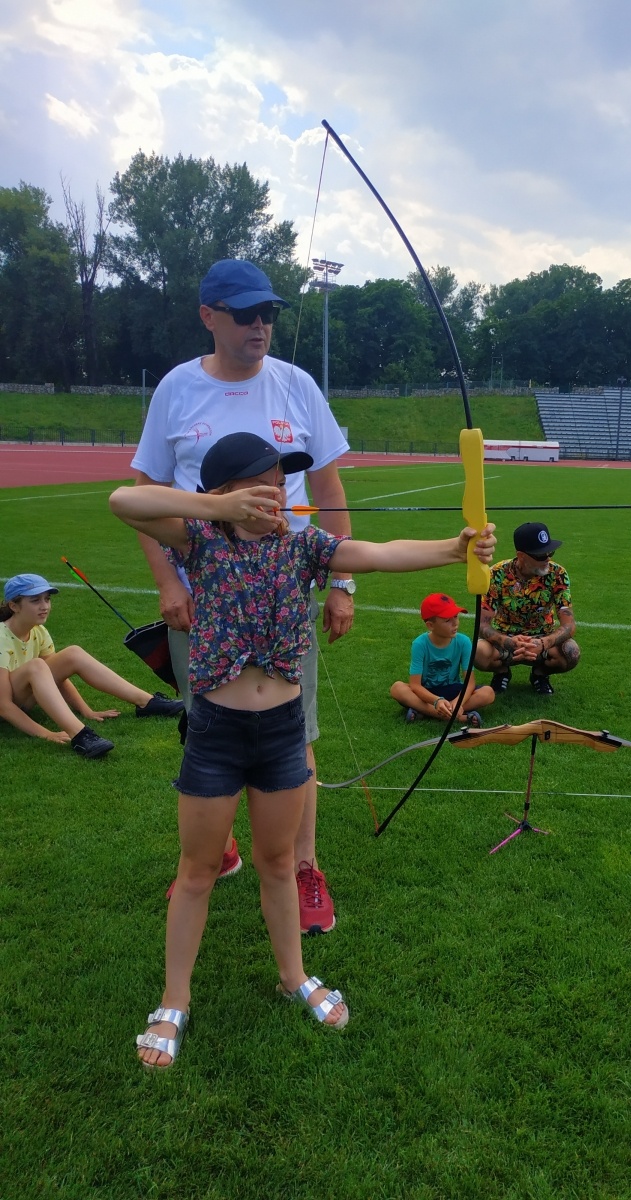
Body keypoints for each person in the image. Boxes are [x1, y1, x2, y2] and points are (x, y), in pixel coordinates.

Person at [110, 430, 496, 1066]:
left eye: (281, 478)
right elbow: (124, 501)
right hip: (216, 733)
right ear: (226, 490)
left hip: (283, 731)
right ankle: (173, 999)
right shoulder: (198, 538)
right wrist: (216, 510)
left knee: (279, 862)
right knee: (198, 871)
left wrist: (454, 549)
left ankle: (294, 977)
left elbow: (374, 553)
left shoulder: (303, 544)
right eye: (261, 479)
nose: (276, 488)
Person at [131, 258, 353, 934]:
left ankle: (304, 867)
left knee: (296, 734)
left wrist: (341, 583)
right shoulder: (177, 388)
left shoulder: (297, 385)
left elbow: (330, 493)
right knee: (206, 729)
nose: (260, 325)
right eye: (244, 313)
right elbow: (140, 492)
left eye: (269, 314)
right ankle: (213, 853)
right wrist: (170, 579)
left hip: (284, 596)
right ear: (208, 316)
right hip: (203, 597)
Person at [0, 573, 183, 758]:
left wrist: (85, 710)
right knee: (37, 666)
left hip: (23, 696)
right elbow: (3, 705)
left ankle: (147, 702)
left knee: (72, 653)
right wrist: (47, 733)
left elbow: (57, 677)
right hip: (7, 704)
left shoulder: (38, 630)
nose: (44, 606)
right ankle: (80, 735)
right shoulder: (1, 637)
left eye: (47, 599)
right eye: (35, 600)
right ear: (14, 606)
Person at [475, 521, 580, 696]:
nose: (547, 558)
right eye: (540, 555)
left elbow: (569, 625)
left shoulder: (558, 574)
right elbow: (481, 625)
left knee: (571, 652)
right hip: (507, 639)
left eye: (550, 552)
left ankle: (540, 675)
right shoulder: (496, 574)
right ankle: (501, 673)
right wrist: (508, 642)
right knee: (477, 652)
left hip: (543, 639)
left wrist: (543, 643)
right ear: (521, 556)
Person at [390, 592, 495, 726]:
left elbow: (469, 683)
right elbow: (415, 685)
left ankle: (425, 711)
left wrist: (458, 703)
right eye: (447, 620)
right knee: (397, 688)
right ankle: (457, 716)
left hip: (453, 691)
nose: (455, 623)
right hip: (427, 693)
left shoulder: (464, 642)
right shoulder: (420, 644)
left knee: (488, 693)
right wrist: (437, 701)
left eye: (456, 616)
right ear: (430, 626)